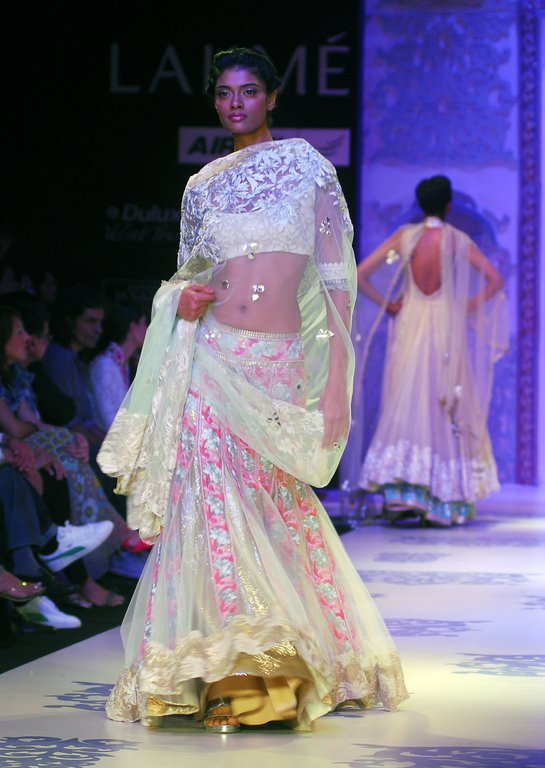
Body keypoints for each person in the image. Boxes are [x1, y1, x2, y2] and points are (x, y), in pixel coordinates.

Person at [100, 47, 407, 732]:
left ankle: (309, 652)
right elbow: (188, 275)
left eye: (247, 91)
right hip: (209, 359)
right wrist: (181, 301)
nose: (234, 103)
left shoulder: (308, 168)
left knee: (276, 508)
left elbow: (335, 281)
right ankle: (232, 673)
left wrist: (336, 384)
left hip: (276, 367)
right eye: (223, 92)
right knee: (210, 509)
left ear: (271, 96)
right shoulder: (201, 184)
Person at [356, 175, 508, 527]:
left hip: (410, 322)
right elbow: (495, 280)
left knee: (408, 400)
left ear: (420, 204)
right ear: (449, 205)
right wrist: (465, 306)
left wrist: (388, 305)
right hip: (444, 326)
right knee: (443, 404)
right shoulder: (456, 240)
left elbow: (361, 273)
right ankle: (441, 499)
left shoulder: (405, 237)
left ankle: (402, 496)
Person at [89, 302, 148, 432]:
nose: (147, 329)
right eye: (144, 323)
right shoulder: (104, 365)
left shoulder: (123, 364)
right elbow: (108, 422)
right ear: (133, 327)